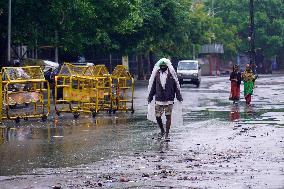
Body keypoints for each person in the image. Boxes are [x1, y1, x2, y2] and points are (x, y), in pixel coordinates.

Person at [147, 58, 183, 141]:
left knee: (168, 116)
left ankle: (167, 134)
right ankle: (162, 130)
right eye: (161, 66)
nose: (162, 67)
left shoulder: (171, 75)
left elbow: (176, 87)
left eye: (164, 66)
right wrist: (150, 97)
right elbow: (153, 87)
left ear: (167, 66)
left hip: (169, 99)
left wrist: (179, 96)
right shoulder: (157, 74)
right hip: (159, 99)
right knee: (158, 116)